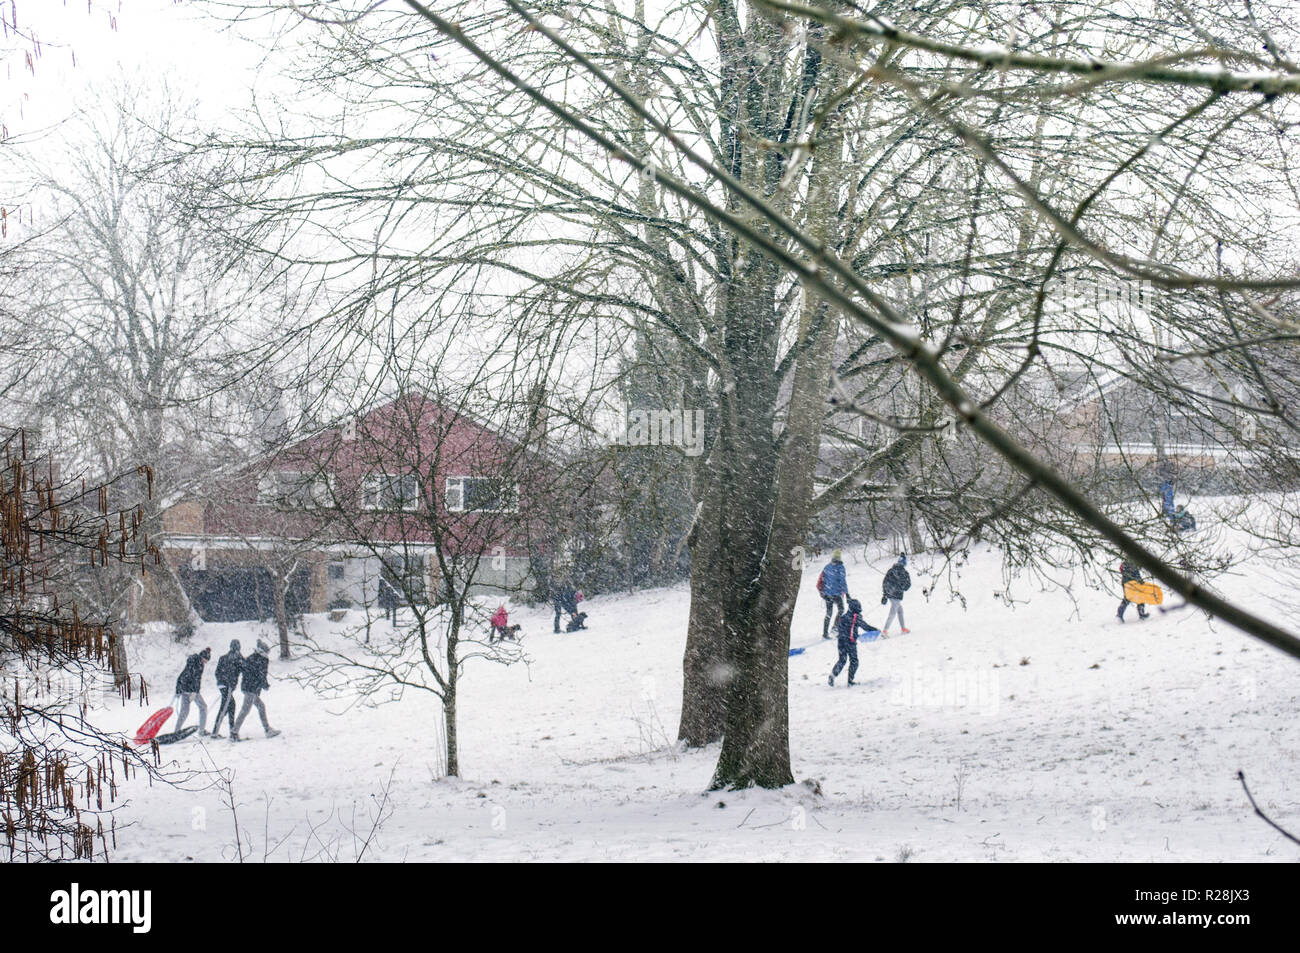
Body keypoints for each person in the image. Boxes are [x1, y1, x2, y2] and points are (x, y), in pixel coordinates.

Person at [232, 640, 280, 742]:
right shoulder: (263, 659)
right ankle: (234, 732)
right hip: (252, 689)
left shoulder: (251, 657)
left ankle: (267, 729)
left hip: (246, 687)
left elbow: (244, 669)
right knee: (245, 710)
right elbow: (262, 674)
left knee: (261, 706)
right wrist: (265, 685)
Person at [827, 598, 879, 687]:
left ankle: (832, 675)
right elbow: (865, 627)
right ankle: (850, 681)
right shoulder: (856, 617)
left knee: (842, 660)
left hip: (841, 642)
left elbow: (838, 628)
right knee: (854, 661)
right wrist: (876, 630)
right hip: (850, 642)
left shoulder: (843, 617)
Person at [209, 640, 244, 738]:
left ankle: (231, 730)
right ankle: (215, 732)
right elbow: (244, 668)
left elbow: (217, 672)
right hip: (227, 686)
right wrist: (229, 683)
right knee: (224, 709)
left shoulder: (223, 657)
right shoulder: (236, 658)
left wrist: (221, 681)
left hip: (222, 685)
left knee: (231, 706)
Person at [173, 647, 211, 734]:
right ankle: (201, 731)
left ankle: (176, 731)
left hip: (185, 689)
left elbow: (181, 676)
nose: (205, 662)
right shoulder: (198, 664)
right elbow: (196, 679)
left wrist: (178, 690)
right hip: (191, 690)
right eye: (205, 660)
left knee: (184, 712)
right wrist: (194, 692)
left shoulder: (192, 661)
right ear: (202, 657)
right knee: (203, 708)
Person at [817, 550, 849, 640]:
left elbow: (821, 579)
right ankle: (835, 628)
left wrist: (823, 592)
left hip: (827, 594)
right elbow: (843, 581)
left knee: (828, 613)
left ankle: (825, 633)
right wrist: (847, 594)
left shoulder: (827, 567)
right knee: (841, 609)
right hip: (836, 594)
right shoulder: (840, 567)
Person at [881, 554, 911, 636]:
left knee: (900, 610)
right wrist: (901, 587)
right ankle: (885, 631)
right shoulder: (904, 573)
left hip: (890, 594)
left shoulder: (891, 571)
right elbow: (907, 586)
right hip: (897, 595)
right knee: (893, 612)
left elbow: (885, 582)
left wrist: (885, 594)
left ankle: (903, 628)